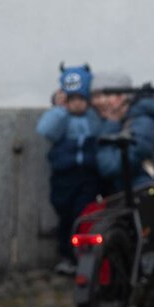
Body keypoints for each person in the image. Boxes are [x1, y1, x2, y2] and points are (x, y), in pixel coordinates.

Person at [36, 64, 104, 273]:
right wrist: (60, 109)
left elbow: (99, 130)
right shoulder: (61, 116)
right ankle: (66, 254)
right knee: (65, 215)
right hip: (64, 176)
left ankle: (82, 255)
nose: (77, 104)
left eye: (81, 99)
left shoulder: (92, 117)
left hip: (88, 176)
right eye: (72, 99)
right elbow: (45, 130)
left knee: (82, 215)